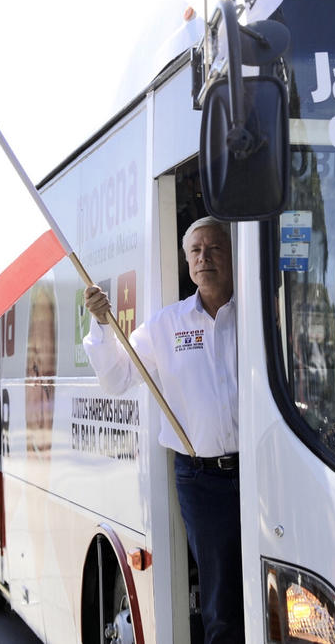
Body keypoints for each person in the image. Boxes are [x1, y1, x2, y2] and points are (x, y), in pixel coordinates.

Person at [83, 216, 242, 643]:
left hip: (262, 473)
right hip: (203, 480)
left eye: (214, 248)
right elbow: (116, 379)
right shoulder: (166, 325)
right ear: (187, 262)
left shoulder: (258, 316)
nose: (204, 258)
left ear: (233, 254)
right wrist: (101, 324)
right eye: (196, 251)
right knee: (222, 600)